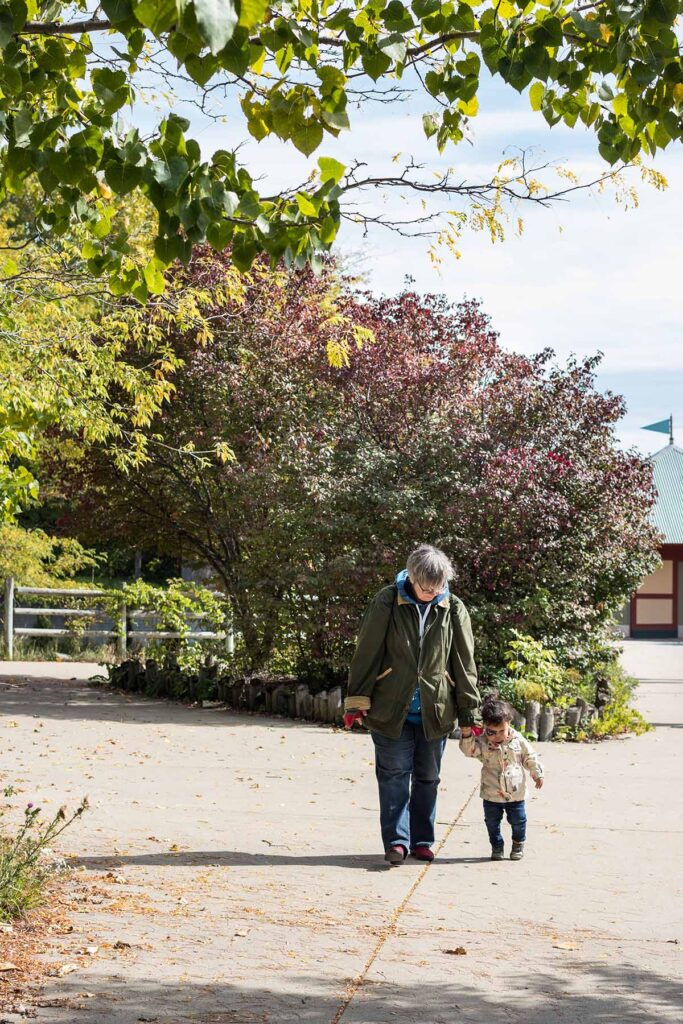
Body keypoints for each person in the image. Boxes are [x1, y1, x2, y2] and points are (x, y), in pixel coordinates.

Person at [343, 544, 481, 866]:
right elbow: (367, 652)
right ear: (413, 577)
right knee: (393, 775)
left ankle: (421, 840)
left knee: (428, 778)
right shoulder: (387, 600)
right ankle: (397, 842)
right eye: (425, 588)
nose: (431, 593)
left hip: (436, 710)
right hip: (391, 708)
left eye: (437, 588)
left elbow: (465, 663)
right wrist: (357, 702)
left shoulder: (453, 607)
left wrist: (468, 714)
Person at [459, 692, 544, 861]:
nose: (497, 736)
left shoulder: (517, 740)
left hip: (515, 793)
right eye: (491, 732)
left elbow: (530, 757)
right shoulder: (482, 742)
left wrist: (536, 773)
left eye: (501, 731)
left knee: (519, 821)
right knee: (492, 823)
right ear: (484, 727)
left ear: (509, 724)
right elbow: (469, 751)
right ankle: (497, 846)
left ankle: (518, 843)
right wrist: (467, 734)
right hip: (491, 793)